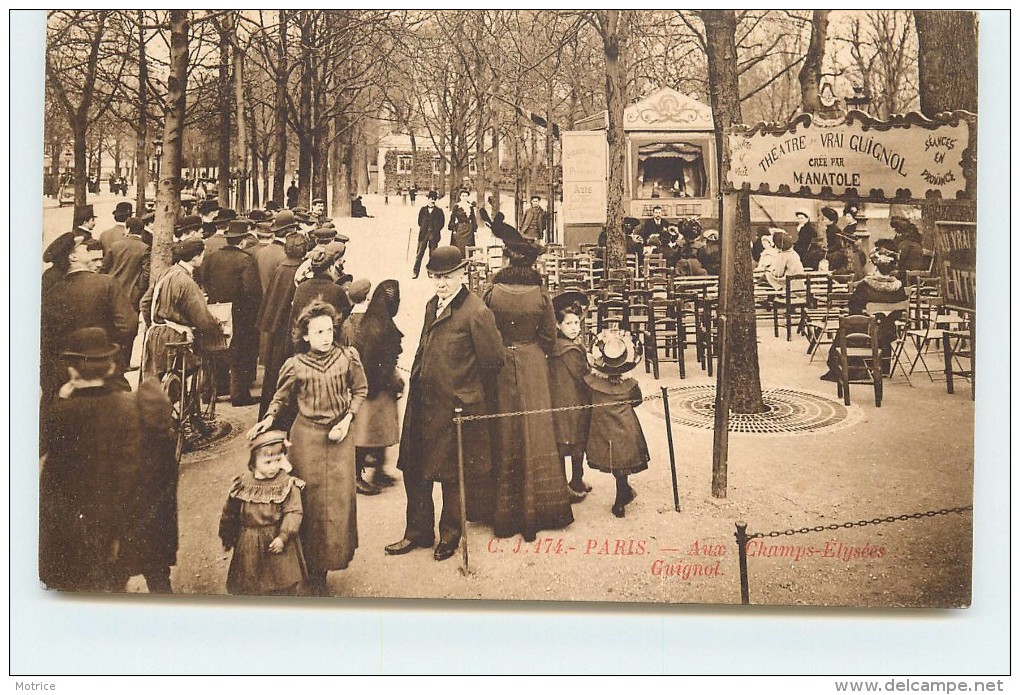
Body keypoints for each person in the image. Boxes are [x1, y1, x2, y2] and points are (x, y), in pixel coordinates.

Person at [385, 246, 505, 562]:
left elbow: (493, 361)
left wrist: (467, 394)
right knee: (415, 468)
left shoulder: (476, 312)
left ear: (462, 274)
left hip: (454, 408)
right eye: (435, 277)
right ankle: (418, 532)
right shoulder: (432, 305)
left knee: (452, 474)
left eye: (448, 277)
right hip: (422, 403)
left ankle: (450, 536)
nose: (441, 283)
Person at [39, 328, 173, 593]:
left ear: (72, 371)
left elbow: (48, 465)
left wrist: (62, 399)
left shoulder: (61, 414)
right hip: (119, 522)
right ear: (111, 367)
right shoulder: (128, 407)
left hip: (78, 529)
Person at [249, 301, 369, 596]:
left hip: (340, 440)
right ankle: (306, 570)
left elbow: (360, 390)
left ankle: (323, 570)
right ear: (305, 335)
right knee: (307, 505)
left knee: (336, 507)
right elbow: (280, 398)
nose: (326, 337)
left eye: (329, 330)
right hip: (306, 441)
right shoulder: (295, 365)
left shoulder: (348, 358)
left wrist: (347, 420)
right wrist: (268, 419)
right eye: (318, 332)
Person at [483, 224, 573, 541]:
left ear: (508, 260)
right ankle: (541, 509)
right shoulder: (540, 294)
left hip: (502, 366)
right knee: (536, 431)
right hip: (533, 365)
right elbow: (549, 337)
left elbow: (485, 331)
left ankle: (503, 513)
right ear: (532, 264)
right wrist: (533, 350)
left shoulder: (492, 292)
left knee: (504, 430)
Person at [41, 239, 135, 403]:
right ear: (73, 257)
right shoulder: (107, 283)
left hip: (67, 373)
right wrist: (109, 347)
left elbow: (46, 339)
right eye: (82, 248)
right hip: (103, 367)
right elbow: (128, 326)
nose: (86, 248)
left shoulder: (53, 293)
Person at [219, 431, 307, 596]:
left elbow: (294, 512)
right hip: (249, 542)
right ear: (253, 463)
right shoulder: (243, 483)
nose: (274, 467)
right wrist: (227, 535)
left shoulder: (287, 484)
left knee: (282, 582)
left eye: (278, 460)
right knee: (250, 582)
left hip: (276, 539)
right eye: (267, 462)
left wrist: (283, 536)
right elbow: (230, 512)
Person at [139, 237, 226, 380]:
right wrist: (217, 327)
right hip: (177, 337)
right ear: (195, 257)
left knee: (157, 381)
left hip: (156, 335)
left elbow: (145, 303)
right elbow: (201, 318)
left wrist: (156, 324)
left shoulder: (165, 273)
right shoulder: (186, 281)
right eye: (202, 255)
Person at [584, 329, 649, 518]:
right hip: (625, 428)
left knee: (614, 460)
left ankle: (623, 495)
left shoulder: (593, 384)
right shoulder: (630, 385)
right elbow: (637, 401)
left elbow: (588, 401)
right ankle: (622, 496)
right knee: (623, 462)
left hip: (603, 429)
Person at [821, 247, 908, 381]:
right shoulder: (899, 287)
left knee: (847, 327)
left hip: (866, 330)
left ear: (875, 266)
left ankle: (853, 369)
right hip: (889, 331)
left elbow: (853, 307)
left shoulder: (866, 286)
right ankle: (883, 367)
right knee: (881, 324)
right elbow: (900, 311)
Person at [202, 219, 262, 406]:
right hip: (240, 312)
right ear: (242, 241)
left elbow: (204, 280)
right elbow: (251, 289)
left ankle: (214, 390)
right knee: (240, 352)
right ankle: (238, 394)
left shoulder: (211, 257)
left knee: (217, 348)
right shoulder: (245, 260)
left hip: (216, 308)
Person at [352, 279, 404, 493]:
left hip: (379, 386)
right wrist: (389, 381)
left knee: (380, 433)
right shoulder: (378, 326)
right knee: (366, 435)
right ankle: (356, 477)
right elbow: (373, 361)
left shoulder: (376, 320)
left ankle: (379, 471)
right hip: (373, 388)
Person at [257, 233, 307, 420]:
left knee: (274, 373)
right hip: (291, 329)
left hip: (277, 329)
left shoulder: (280, 269)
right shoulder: (302, 271)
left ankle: (269, 413)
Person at [548, 291, 592, 502]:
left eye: (576, 323)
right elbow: (584, 376)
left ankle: (574, 481)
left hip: (560, 401)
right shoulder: (570, 350)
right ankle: (572, 483)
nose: (574, 327)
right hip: (572, 401)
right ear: (558, 325)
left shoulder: (558, 345)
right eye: (569, 323)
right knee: (575, 443)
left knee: (566, 443)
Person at [102, 216, 150, 313]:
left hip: (111, 291)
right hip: (131, 294)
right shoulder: (145, 248)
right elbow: (146, 273)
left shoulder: (115, 245)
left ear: (128, 229)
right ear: (141, 231)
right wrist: (139, 290)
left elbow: (104, 268)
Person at [413, 190, 446, 279]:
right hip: (423, 234)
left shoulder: (439, 211)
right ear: (428, 199)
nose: (432, 201)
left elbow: (442, 223)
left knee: (433, 254)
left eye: (434, 199)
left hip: (434, 234)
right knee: (419, 254)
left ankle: (431, 271)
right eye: (431, 199)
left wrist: (435, 230)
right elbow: (419, 221)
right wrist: (424, 228)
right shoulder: (423, 210)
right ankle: (415, 272)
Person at [447, 189, 477, 254]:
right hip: (460, 228)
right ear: (460, 197)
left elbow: (473, 218)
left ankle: (468, 259)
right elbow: (452, 218)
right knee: (459, 246)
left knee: (468, 246)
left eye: (466, 196)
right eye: (463, 196)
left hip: (469, 229)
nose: (464, 197)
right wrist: (454, 229)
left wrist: (474, 230)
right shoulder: (456, 206)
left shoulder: (470, 206)